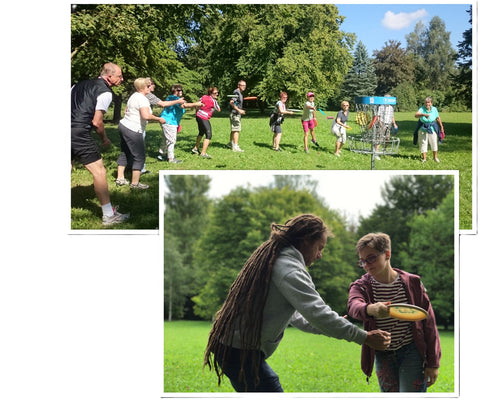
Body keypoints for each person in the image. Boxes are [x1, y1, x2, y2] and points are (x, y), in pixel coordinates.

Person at [203, 214, 391, 392]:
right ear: (305, 241)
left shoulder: (279, 261)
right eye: (320, 247)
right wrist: (363, 337)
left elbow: (299, 317)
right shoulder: (289, 269)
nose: (320, 255)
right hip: (238, 350)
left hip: (235, 347)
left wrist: (326, 326)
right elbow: (319, 312)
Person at [347, 232, 441, 393]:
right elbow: (353, 306)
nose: (367, 265)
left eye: (371, 258)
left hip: (411, 351)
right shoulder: (361, 286)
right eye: (362, 261)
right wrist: (371, 309)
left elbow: (429, 324)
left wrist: (433, 363)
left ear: (387, 254)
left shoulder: (412, 283)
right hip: (382, 353)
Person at [71, 62, 130, 226]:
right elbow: (97, 122)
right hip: (79, 132)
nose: (122, 79)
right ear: (109, 76)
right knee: (99, 171)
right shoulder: (105, 92)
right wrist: (104, 138)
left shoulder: (77, 85)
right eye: (119, 76)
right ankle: (108, 215)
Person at [116, 78, 165, 189]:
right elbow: (146, 116)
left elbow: (126, 111)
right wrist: (159, 119)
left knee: (125, 152)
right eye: (149, 86)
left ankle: (120, 178)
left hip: (124, 125)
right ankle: (135, 184)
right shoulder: (142, 99)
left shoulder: (134, 96)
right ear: (143, 87)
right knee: (139, 156)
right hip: (133, 129)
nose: (150, 88)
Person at [157, 84, 203, 164]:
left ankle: (161, 154)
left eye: (181, 90)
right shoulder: (174, 98)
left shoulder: (172, 98)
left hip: (168, 121)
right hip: (169, 122)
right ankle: (171, 158)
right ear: (174, 91)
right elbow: (184, 105)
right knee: (171, 140)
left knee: (165, 138)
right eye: (178, 90)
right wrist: (196, 104)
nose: (180, 91)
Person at [192, 87, 221, 159]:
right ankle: (203, 153)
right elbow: (219, 109)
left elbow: (197, 104)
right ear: (210, 93)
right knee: (209, 134)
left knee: (201, 132)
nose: (217, 94)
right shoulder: (214, 101)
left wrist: (197, 112)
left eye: (217, 93)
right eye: (215, 93)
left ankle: (195, 148)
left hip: (198, 116)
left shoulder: (203, 97)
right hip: (204, 118)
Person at [414, 97, 444, 163]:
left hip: (432, 129)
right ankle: (424, 158)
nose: (427, 104)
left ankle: (435, 157)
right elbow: (416, 115)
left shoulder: (434, 109)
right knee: (423, 143)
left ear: (431, 103)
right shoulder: (422, 109)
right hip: (422, 128)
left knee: (434, 143)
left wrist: (441, 126)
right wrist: (423, 114)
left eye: (429, 102)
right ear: (424, 103)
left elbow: (438, 118)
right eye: (426, 102)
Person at [374, 94, 398, 160]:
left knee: (387, 138)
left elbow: (392, 117)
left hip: (389, 124)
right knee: (380, 138)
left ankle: (384, 151)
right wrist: (381, 125)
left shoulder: (391, 108)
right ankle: (376, 152)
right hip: (382, 124)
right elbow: (378, 117)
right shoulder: (381, 107)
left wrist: (394, 124)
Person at [228, 80, 247, 152]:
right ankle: (235, 146)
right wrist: (239, 110)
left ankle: (231, 143)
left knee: (234, 129)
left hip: (235, 113)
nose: (244, 87)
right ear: (238, 85)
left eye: (245, 85)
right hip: (235, 114)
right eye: (242, 85)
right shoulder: (236, 92)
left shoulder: (239, 93)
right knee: (236, 129)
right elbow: (231, 102)